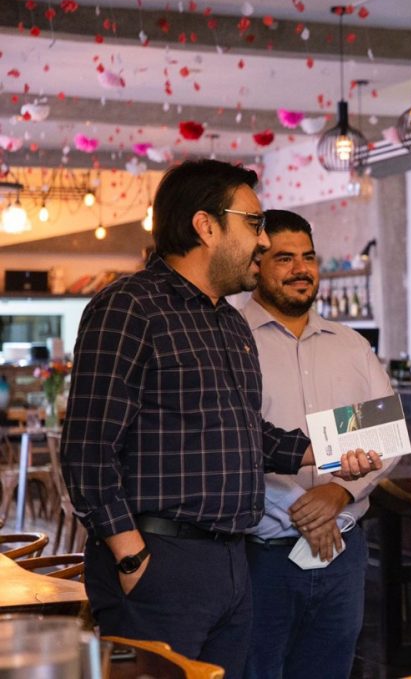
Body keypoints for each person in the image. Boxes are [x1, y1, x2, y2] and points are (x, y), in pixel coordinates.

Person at [62, 160, 378, 676]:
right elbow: (88, 449)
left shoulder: (229, 323)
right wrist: (130, 556)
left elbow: (248, 433)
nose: (262, 240)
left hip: (232, 562)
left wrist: (328, 452)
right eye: (253, 223)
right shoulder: (130, 306)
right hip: (160, 556)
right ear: (205, 226)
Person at [240, 210, 398, 679]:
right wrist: (303, 509)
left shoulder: (349, 345)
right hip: (259, 557)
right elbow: (232, 442)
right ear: (256, 263)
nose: (301, 269)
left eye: (308, 257)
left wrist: (339, 493)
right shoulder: (230, 338)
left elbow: (383, 435)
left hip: (341, 556)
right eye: (284, 258)